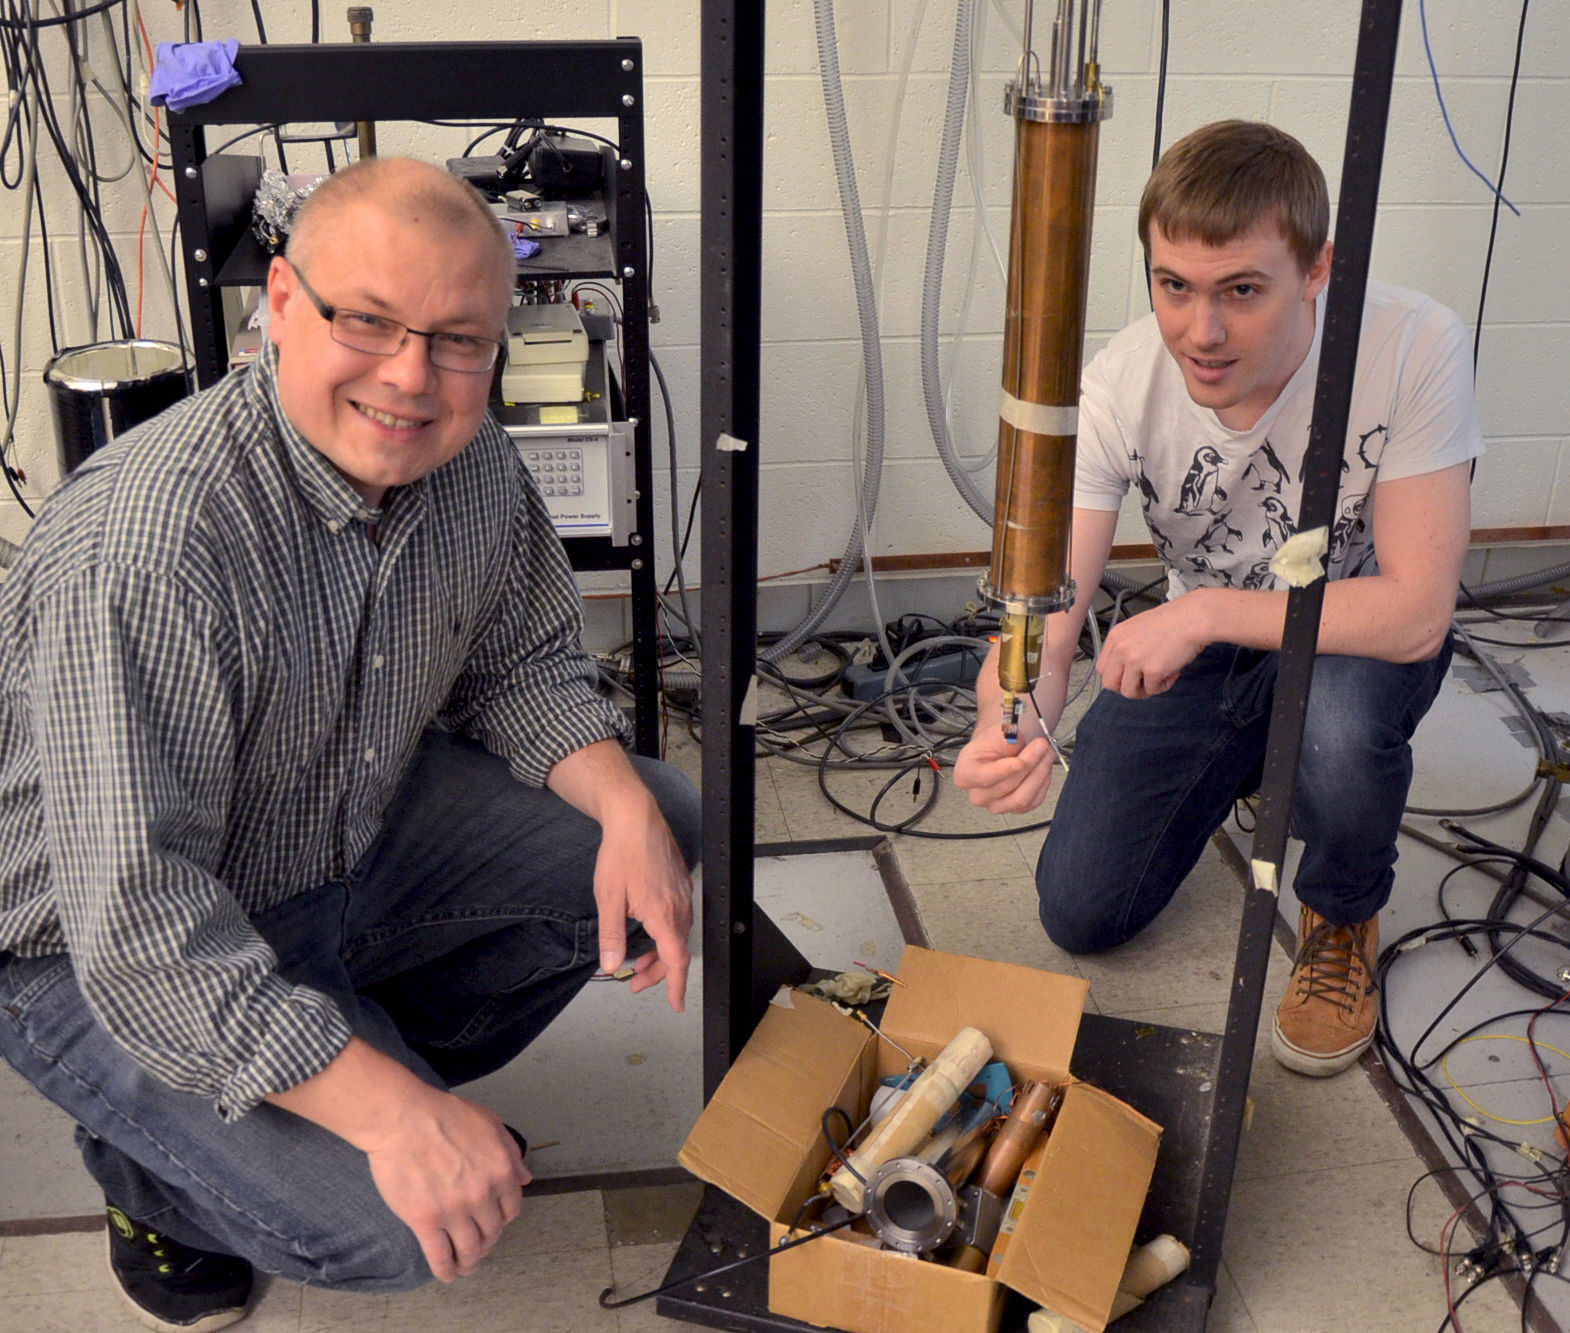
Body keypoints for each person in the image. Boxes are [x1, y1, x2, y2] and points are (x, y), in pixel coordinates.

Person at [0, 157, 700, 1333]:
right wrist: (384, 1114)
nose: (411, 376)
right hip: (85, 947)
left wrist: (623, 808)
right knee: (385, 1232)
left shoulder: (468, 456)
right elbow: (139, 925)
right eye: (366, 322)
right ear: (279, 304)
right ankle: (152, 1179)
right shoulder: (152, 546)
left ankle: (346, 1062)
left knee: (661, 819)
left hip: (334, 839)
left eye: (456, 339)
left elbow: (522, 665)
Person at [954, 120, 1480, 1080]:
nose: (1201, 331)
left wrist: (1196, 613)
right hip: (1213, 655)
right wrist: (1014, 710)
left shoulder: (1411, 345)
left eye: (1242, 290)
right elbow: (1050, 612)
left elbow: (1415, 611)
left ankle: (1343, 908)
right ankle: (1248, 765)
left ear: (1318, 269)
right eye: (1175, 287)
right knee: (1081, 911)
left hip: (1354, 639)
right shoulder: (1119, 381)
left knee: (1338, 729)